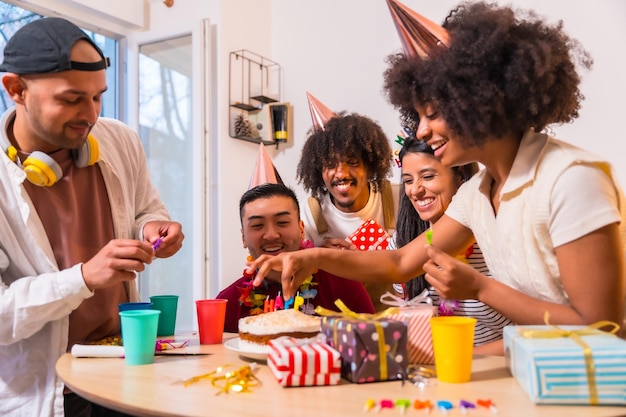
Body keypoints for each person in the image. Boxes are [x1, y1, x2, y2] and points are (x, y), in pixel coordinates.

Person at [248, 1, 626, 344]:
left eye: (433, 113)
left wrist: (479, 288)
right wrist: (313, 258)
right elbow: (399, 263)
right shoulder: (477, 194)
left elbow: (600, 327)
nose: (420, 131)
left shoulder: (571, 179)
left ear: (478, 102)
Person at [0, 18, 184, 417]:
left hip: (125, 371)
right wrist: (82, 279)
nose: (91, 115)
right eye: (71, 99)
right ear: (16, 89)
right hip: (48, 393)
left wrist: (152, 226)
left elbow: (146, 209)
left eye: (98, 96)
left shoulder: (119, 140)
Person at [390, 137, 512, 354]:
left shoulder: (494, 234)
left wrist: (462, 356)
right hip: (431, 370)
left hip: (495, 370)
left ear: (461, 178)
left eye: (427, 176)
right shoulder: (402, 241)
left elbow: (532, 332)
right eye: (408, 180)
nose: (415, 190)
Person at [217, 183, 375, 332]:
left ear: (301, 230)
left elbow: (373, 345)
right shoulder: (227, 303)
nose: (271, 235)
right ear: (243, 237)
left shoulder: (344, 285)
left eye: (282, 222)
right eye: (258, 225)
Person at [298, 111, 398, 311]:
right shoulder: (309, 214)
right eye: (330, 164)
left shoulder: (398, 198)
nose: (341, 173)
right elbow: (302, 281)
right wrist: (318, 260)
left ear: (370, 167)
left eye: (352, 162)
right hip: (340, 322)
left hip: (399, 317)